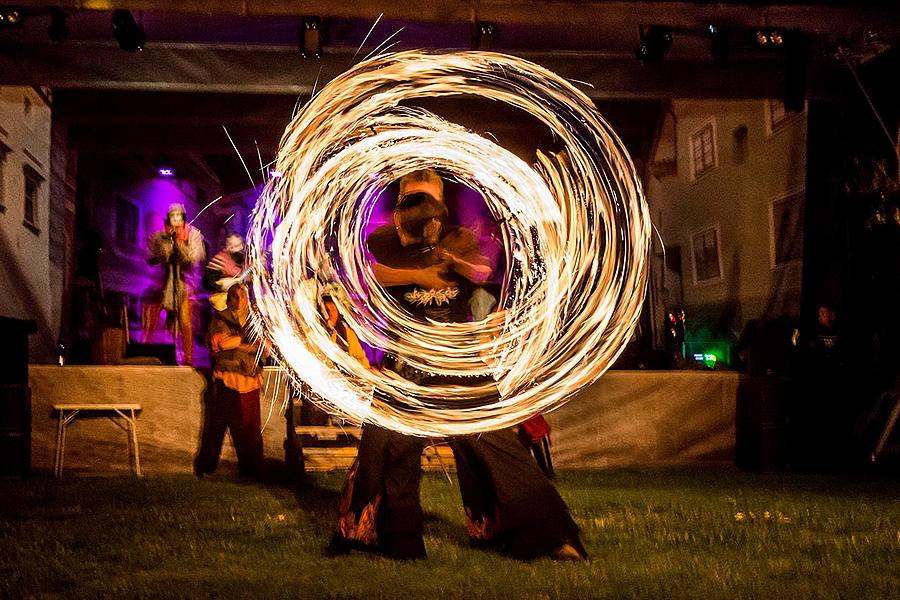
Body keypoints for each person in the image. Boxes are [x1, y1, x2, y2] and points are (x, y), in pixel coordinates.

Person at [331, 170, 585, 561]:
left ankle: (548, 535)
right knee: (390, 448)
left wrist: (460, 268)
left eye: (429, 202)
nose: (421, 210)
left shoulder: (457, 239)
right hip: (407, 364)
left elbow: (483, 274)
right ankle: (394, 541)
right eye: (412, 200)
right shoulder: (382, 241)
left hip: (457, 362)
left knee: (496, 444)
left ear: (441, 206)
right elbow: (364, 276)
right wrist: (418, 275)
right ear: (399, 206)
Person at [194, 283, 266, 479]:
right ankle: (207, 467)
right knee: (217, 425)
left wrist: (238, 343)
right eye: (235, 296)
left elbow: (263, 348)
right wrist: (247, 344)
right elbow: (221, 344)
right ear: (229, 299)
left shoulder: (255, 322)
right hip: (227, 380)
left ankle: (253, 470)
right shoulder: (220, 319)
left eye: (243, 296)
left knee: (251, 428)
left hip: (250, 380)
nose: (240, 300)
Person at [144, 203, 205, 365]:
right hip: (164, 282)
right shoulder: (161, 236)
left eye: (179, 216)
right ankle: (148, 352)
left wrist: (179, 247)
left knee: (185, 321)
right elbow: (151, 256)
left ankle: (188, 359)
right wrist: (164, 251)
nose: (176, 219)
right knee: (155, 319)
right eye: (173, 216)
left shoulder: (193, 234)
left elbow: (195, 257)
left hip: (185, 282)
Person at [203, 232, 246, 311]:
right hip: (225, 304)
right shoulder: (220, 260)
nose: (235, 249)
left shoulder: (247, 260)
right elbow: (207, 282)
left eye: (237, 246)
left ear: (242, 245)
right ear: (227, 246)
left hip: (242, 301)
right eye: (231, 246)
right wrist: (221, 287)